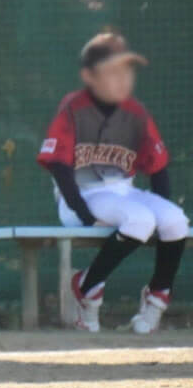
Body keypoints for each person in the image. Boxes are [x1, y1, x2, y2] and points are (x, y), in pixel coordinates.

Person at [39, 31, 182, 335]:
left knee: (176, 221)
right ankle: (87, 286)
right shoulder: (74, 107)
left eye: (126, 70)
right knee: (140, 219)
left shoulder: (136, 113)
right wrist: (83, 213)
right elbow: (58, 165)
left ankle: (156, 298)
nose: (122, 78)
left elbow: (157, 167)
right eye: (112, 71)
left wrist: (163, 215)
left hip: (123, 194)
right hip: (81, 196)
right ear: (89, 76)